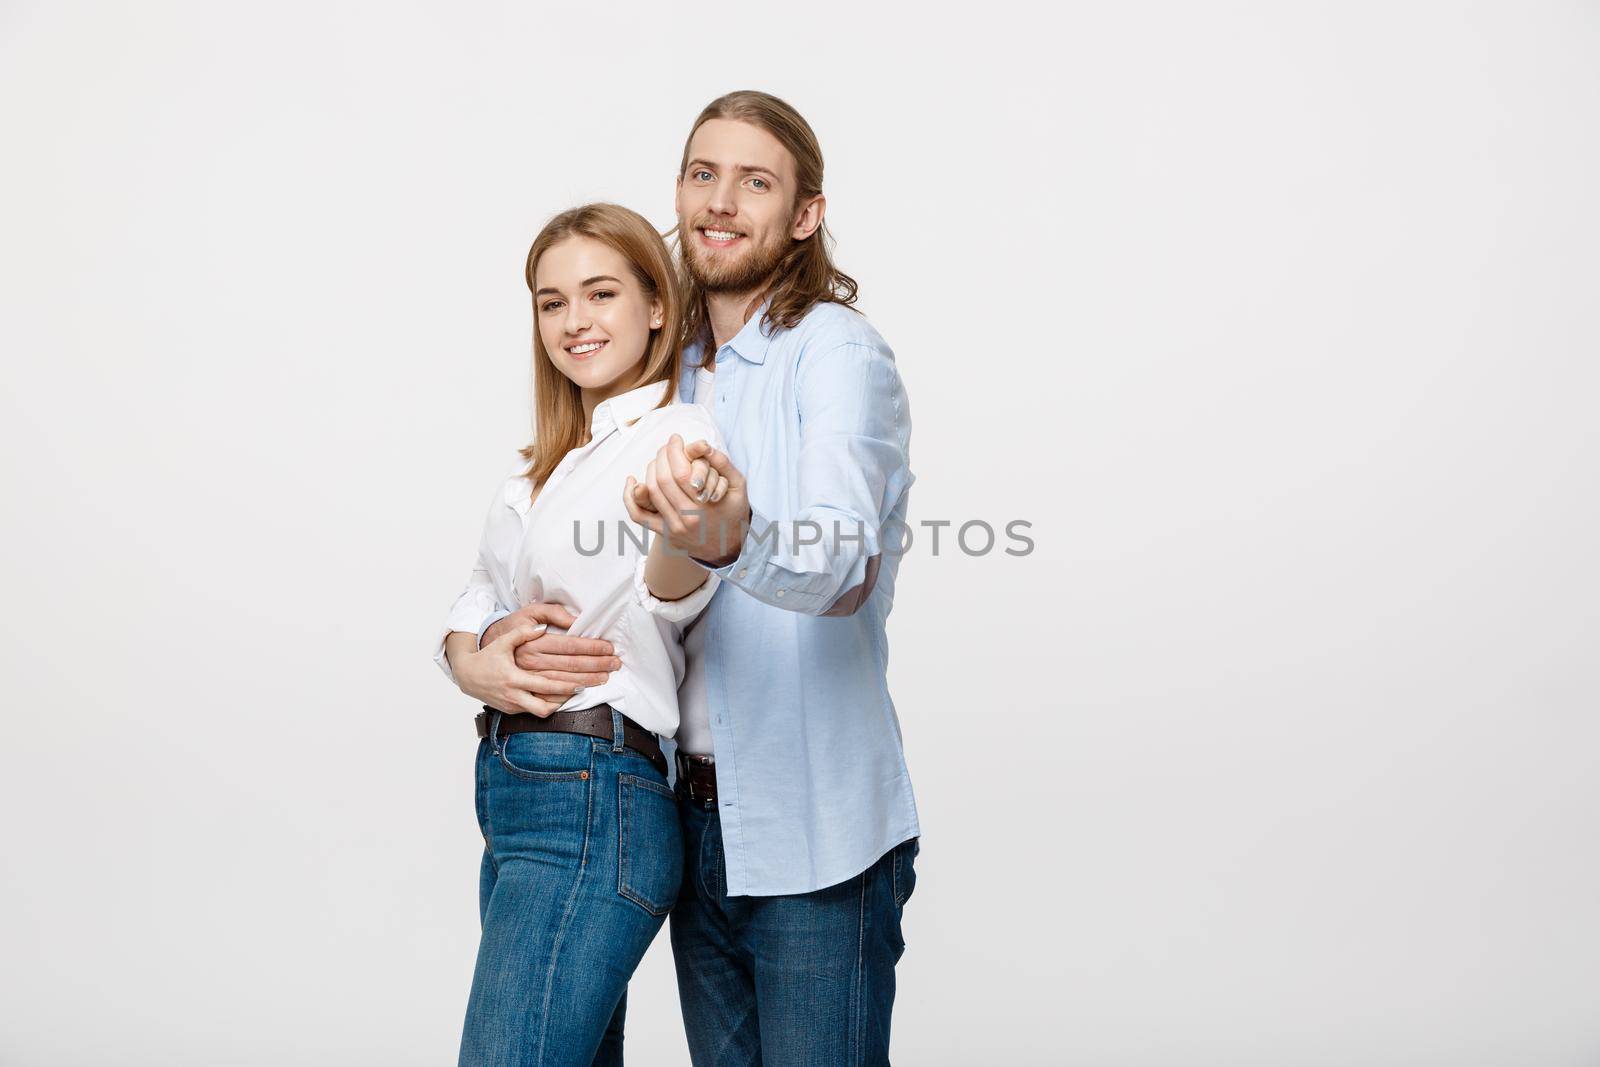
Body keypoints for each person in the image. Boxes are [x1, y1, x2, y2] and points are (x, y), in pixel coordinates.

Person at [492, 90, 922, 1066]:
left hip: (816, 826)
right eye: (702, 173)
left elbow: (842, 560)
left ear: (803, 214)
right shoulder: (655, 364)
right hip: (682, 817)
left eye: (754, 180)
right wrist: (473, 649)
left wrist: (729, 535)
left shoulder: (837, 355)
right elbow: (532, 521)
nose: (721, 201)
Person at [434, 202, 732, 1066]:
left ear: (656, 308)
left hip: (592, 790)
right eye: (551, 301)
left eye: (600, 293)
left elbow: (671, 596)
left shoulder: (678, 437)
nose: (574, 321)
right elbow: (476, 593)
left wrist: (684, 522)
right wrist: (471, 659)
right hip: (517, 792)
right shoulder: (543, 467)